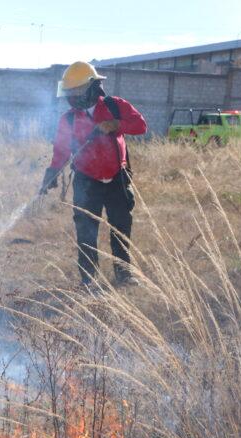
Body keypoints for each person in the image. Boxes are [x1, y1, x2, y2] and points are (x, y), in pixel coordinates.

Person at [40, 61, 147, 288]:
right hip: (87, 181)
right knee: (86, 232)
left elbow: (141, 125)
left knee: (121, 229)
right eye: (71, 92)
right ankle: (89, 279)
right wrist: (51, 173)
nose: (74, 96)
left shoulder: (115, 106)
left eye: (77, 91)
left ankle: (124, 275)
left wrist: (115, 123)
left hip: (117, 178)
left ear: (91, 87)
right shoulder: (69, 119)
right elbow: (61, 150)